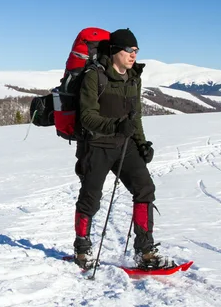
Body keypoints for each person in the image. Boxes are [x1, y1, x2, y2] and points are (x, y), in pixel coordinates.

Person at [73, 28, 174, 270]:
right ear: (115, 51)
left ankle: (145, 251)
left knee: (145, 189)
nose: (133, 55)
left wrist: (141, 143)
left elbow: (134, 117)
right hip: (96, 146)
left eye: (136, 51)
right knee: (90, 199)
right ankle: (82, 250)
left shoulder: (133, 78)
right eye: (129, 50)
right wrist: (118, 125)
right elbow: (87, 117)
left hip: (125, 146)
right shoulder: (94, 76)